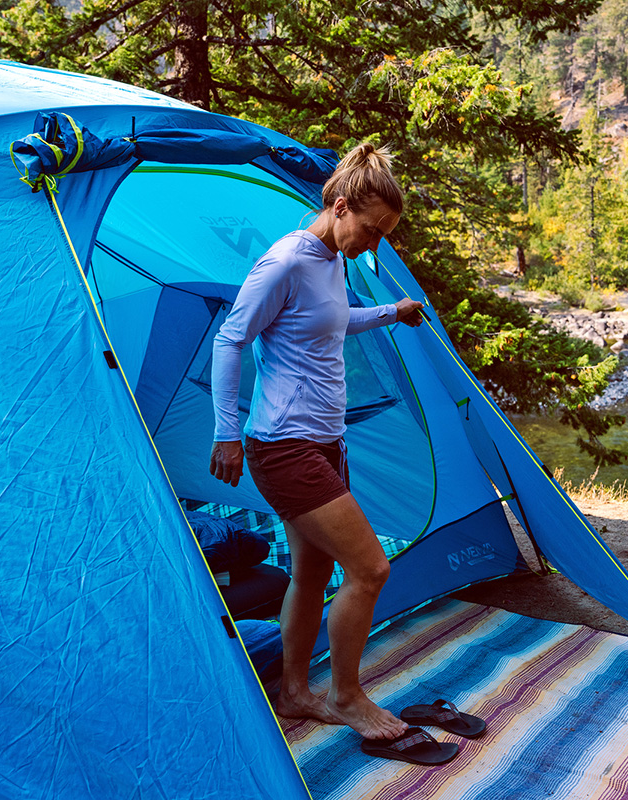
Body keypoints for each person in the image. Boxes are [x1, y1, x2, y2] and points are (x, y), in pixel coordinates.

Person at [209, 143, 425, 741]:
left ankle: (296, 694)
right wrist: (228, 434)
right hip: (284, 447)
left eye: (383, 235)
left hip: (326, 442)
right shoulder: (283, 263)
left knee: (311, 576)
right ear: (339, 204)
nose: (373, 244)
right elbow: (230, 341)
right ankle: (348, 695)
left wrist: (390, 312)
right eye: (371, 229)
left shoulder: (329, 260)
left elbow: (331, 321)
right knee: (371, 568)